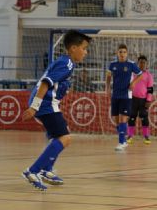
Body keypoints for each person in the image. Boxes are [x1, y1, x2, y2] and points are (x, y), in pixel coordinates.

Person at [21, 30, 91, 191]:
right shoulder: (66, 63)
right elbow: (46, 83)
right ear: (73, 48)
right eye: (84, 48)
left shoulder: (66, 62)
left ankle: (47, 170)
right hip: (44, 104)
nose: (86, 52)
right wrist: (34, 107)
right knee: (65, 138)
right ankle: (32, 171)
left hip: (47, 103)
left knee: (60, 136)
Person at [106, 44, 143, 151]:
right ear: (117, 53)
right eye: (120, 52)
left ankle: (121, 142)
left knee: (123, 119)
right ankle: (124, 139)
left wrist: (133, 83)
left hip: (126, 95)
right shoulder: (112, 64)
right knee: (116, 120)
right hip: (115, 95)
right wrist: (107, 88)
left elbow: (140, 74)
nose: (122, 54)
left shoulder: (131, 64)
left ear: (127, 53)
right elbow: (108, 77)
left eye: (124, 52)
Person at [127, 55, 154, 144]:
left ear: (146, 64)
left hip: (143, 101)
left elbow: (150, 89)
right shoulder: (133, 74)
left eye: (144, 62)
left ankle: (146, 137)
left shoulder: (149, 75)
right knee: (132, 117)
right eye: (140, 62)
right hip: (133, 99)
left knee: (144, 118)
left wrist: (148, 100)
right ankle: (130, 136)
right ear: (137, 64)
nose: (142, 64)